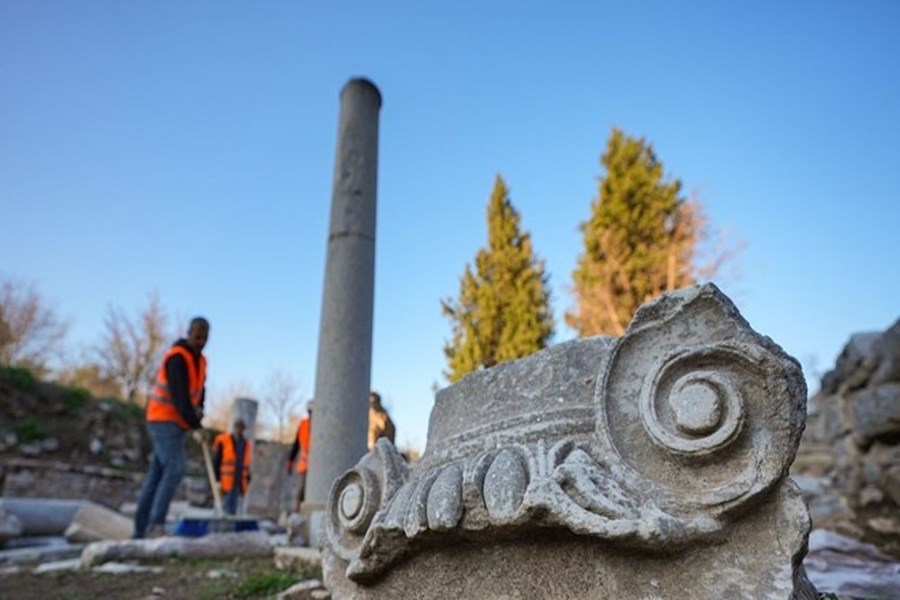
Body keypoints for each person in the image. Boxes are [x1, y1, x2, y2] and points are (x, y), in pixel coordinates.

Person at [133, 317, 210, 539]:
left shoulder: (202, 361)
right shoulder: (177, 358)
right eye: (197, 335)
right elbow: (180, 397)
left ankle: (140, 530)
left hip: (177, 423)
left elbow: (200, 390)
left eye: (205, 337)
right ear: (189, 332)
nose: (201, 340)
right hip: (163, 419)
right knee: (175, 468)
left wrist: (200, 410)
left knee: (156, 475)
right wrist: (196, 426)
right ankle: (155, 525)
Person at [212, 418, 252, 515]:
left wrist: (248, 478)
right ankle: (218, 528)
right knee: (221, 509)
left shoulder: (246, 444)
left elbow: (245, 464)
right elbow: (216, 461)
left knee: (232, 511)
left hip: (238, 484)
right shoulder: (224, 441)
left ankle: (228, 528)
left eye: (241, 427)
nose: (239, 430)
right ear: (234, 427)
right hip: (224, 483)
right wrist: (216, 480)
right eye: (237, 427)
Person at [286, 401, 312, 512]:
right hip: (304, 465)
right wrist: (290, 460)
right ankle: (297, 514)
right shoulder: (303, 424)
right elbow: (296, 444)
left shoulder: (321, 425)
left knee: (310, 493)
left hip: (316, 468)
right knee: (300, 492)